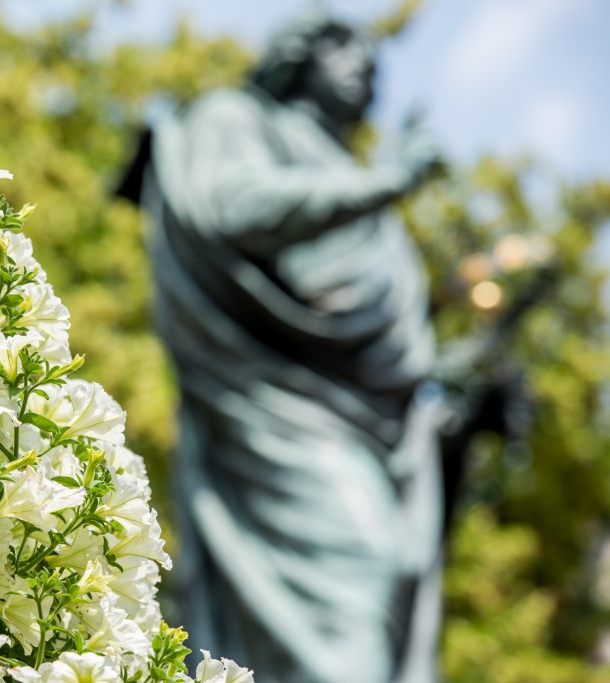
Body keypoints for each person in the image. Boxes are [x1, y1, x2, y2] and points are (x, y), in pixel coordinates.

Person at [118, 10, 445, 683]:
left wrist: (469, 411)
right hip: (274, 403)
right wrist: (382, 184)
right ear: (301, 55)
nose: (365, 66)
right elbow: (231, 204)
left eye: (373, 61)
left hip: (364, 420)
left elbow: (380, 356)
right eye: (344, 48)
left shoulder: (343, 172)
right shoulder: (235, 119)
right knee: (358, 573)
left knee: (389, 590)